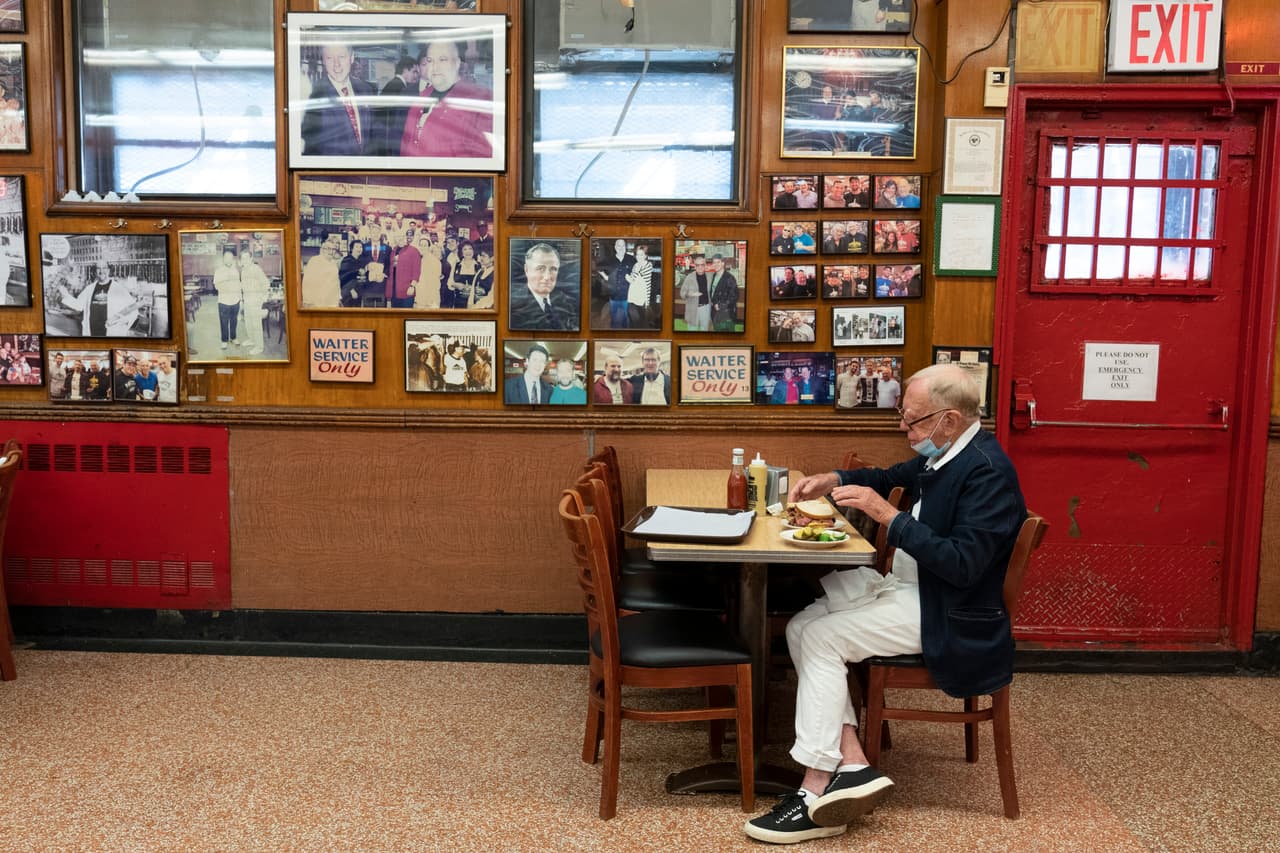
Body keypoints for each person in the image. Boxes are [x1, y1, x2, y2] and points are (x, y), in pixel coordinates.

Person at [743, 364, 1026, 844]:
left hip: (949, 612)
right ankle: (852, 763)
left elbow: (962, 565)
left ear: (950, 420)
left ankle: (813, 790)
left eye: (913, 420)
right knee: (801, 625)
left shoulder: (987, 472)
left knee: (818, 636)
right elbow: (888, 474)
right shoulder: (950, 454)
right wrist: (833, 477)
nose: (904, 427)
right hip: (910, 591)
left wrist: (887, 516)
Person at [399, 40, 493, 159]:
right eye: (429, 61)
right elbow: (405, 147)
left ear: (457, 63)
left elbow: (483, 159)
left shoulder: (478, 100)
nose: (434, 67)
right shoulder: (420, 99)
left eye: (442, 60)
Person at [300, 42, 375, 156]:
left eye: (341, 57)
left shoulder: (366, 90)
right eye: (330, 58)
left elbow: (373, 138)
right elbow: (310, 150)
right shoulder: (314, 95)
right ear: (324, 61)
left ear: (352, 58)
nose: (337, 65)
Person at [509, 242, 578, 331]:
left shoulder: (565, 302)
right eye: (540, 268)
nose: (547, 277)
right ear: (526, 270)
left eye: (553, 269)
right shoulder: (513, 307)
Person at [66, 260, 140, 337]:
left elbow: (133, 309)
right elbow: (78, 305)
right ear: (95, 271)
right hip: (92, 333)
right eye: (98, 268)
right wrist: (65, 294)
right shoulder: (89, 289)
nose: (101, 271)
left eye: (104, 268)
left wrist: (119, 321)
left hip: (112, 333)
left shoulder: (119, 289)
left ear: (108, 270)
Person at [374, 56, 420, 156]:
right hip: (386, 135)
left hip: (381, 133)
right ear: (405, 70)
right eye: (414, 71)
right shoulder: (400, 87)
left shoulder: (393, 83)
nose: (416, 76)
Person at [238, 252, 272, 355]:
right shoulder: (243, 270)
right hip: (247, 299)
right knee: (248, 322)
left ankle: (259, 347)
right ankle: (252, 340)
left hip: (256, 300)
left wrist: (262, 298)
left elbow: (266, 283)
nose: (244, 260)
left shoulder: (256, 269)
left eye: (246, 258)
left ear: (251, 258)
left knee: (256, 324)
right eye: (243, 258)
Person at [602, 238, 635, 328]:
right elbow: (598, 268)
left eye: (623, 245)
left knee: (625, 317)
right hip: (613, 294)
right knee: (614, 317)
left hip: (627, 295)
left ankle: (625, 336)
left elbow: (638, 271)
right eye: (619, 245)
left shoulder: (631, 259)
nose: (621, 248)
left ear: (625, 247)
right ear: (615, 247)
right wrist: (605, 276)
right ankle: (614, 335)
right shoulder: (609, 259)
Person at [213, 250, 242, 348]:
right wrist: (227, 285)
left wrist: (240, 299)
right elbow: (216, 286)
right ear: (223, 259)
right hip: (223, 301)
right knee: (224, 321)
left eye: (230, 257)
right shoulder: (219, 271)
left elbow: (238, 285)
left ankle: (233, 337)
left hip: (235, 300)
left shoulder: (236, 271)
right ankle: (224, 340)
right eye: (226, 257)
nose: (228, 259)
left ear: (232, 259)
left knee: (234, 320)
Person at [301, 238, 342, 308]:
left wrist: (338, 298)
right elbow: (307, 283)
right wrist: (308, 301)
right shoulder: (314, 261)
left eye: (333, 249)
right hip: (317, 303)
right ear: (322, 249)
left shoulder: (333, 263)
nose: (331, 252)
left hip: (332, 303)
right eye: (328, 249)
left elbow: (336, 283)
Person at [678, 255, 712, 331]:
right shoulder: (689, 277)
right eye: (697, 265)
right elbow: (682, 293)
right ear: (695, 266)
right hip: (692, 309)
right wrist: (690, 294)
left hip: (706, 308)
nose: (700, 267)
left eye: (702, 265)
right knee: (692, 332)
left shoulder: (710, 276)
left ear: (705, 265)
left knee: (705, 331)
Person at [625, 244, 654, 328]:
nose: (639, 257)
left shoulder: (648, 265)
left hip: (641, 298)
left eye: (641, 255)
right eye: (637, 254)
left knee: (641, 322)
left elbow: (632, 279)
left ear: (646, 255)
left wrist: (627, 276)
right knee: (633, 320)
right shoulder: (636, 265)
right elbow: (632, 280)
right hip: (632, 296)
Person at [708, 254, 740, 331]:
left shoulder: (729, 278)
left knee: (727, 339)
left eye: (718, 262)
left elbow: (734, 296)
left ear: (723, 263)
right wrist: (714, 302)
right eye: (714, 262)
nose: (715, 265)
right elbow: (713, 293)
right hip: (716, 314)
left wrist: (720, 305)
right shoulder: (714, 276)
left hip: (726, 314)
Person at [339, 240, 369, 308]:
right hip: (348, 293)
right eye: (357, 247)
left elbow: (361, 277)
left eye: (361, 247)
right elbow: (343, 277)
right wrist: (351, 290)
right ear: (352, 249)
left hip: (358, 292)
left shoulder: (360, 261)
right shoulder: (347, 260)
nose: (359, 249)